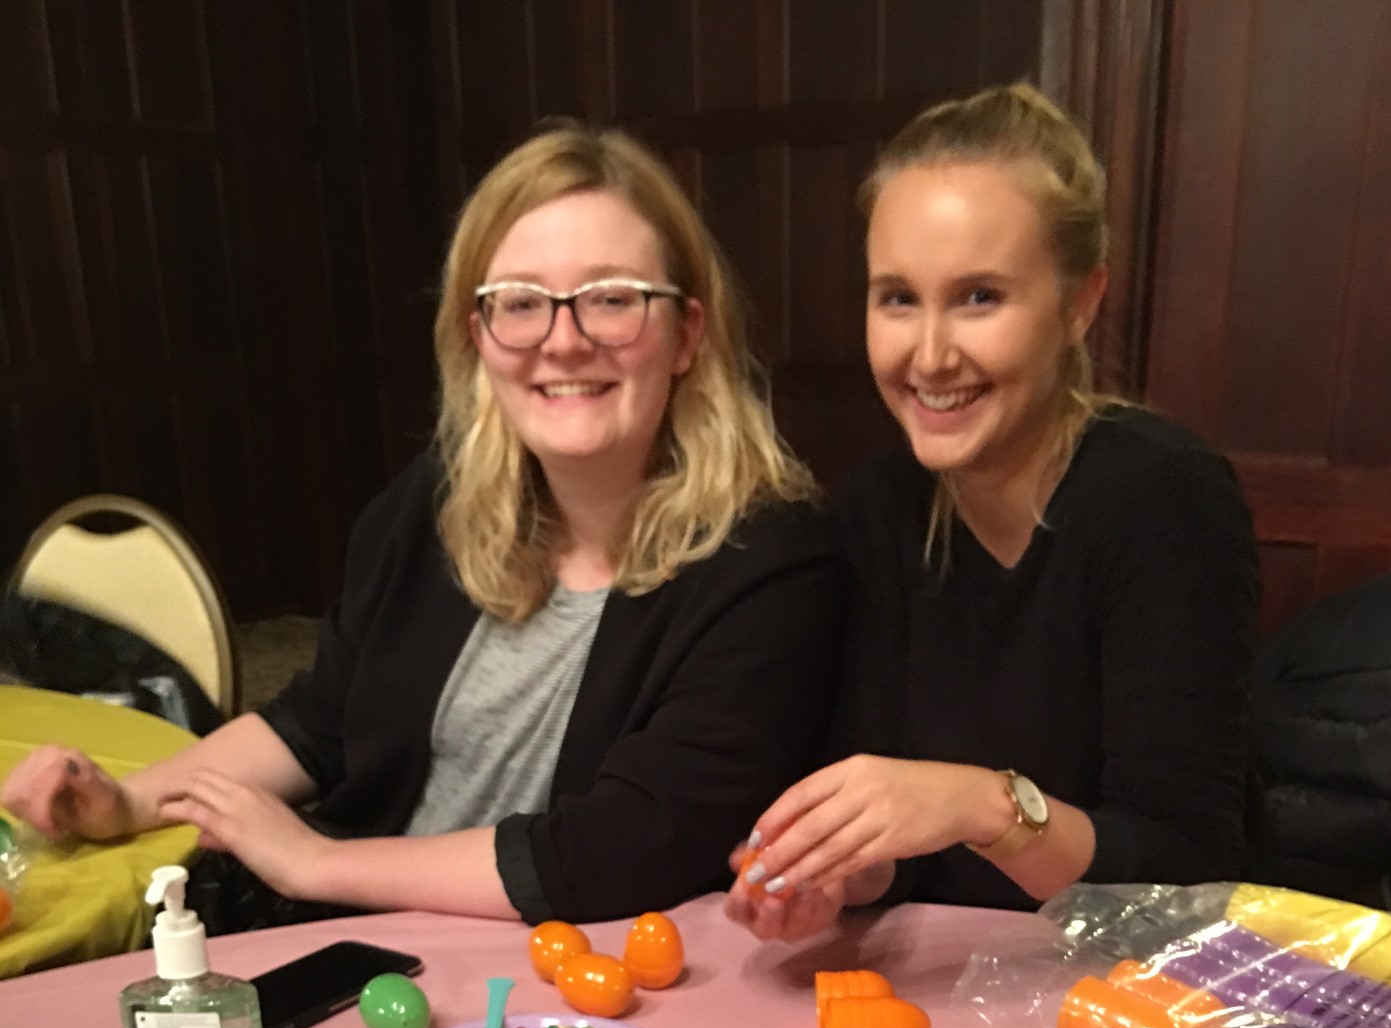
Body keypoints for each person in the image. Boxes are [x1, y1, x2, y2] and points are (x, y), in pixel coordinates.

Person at [2, 123, 844, 929]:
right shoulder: (439, 504)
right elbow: (320, 721)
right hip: (364, 941)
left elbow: (620, 850)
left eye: (611, 299)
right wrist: (133, 800)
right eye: (521, 303)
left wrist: (317, 863)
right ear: (478, 336)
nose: (562, 341)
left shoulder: (770, 561)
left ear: (686, 333)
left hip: (582, 978)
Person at [725, 83, 1258, 942]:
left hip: (1116, 981)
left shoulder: (1165, 498)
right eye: (897, 298)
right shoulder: (873, 509)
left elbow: (1184, 878)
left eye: (979, 297)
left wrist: (981, 805)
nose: (930, 356)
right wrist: (838, 874)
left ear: (1079, 303)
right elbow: (902, 849)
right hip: (947, 975)